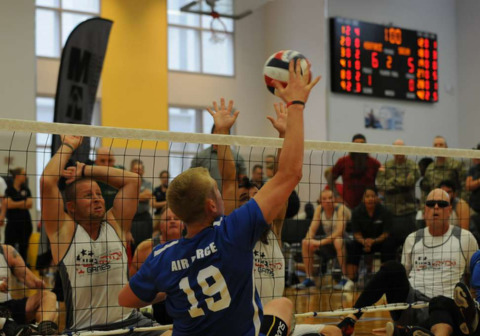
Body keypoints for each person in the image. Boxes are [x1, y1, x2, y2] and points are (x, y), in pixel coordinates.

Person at [119, 59, 320, 335]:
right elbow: (288, 174)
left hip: (199, 313)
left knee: (280, 303)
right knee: (282, 307)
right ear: (213, 204)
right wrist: (296, 104)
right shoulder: (234, 231)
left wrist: (171, 286)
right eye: (218, 189)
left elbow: (125, 299)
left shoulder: (161, 257)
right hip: (244, 325)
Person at [40, 135, 162, 334]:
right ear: (71, 207)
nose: (97, 199)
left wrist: (86, 170)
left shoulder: (116, 223)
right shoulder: (64, 232)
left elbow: (133, 180)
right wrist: (69, 145)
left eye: (98, 194)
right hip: (87, 330)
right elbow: (47, 182)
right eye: (89, 196)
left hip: (132, 323)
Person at [337, 188, 478, 336]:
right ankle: (352, 318)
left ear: (449, 210)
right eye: (431, 204)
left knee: (440, 301)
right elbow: (404, 275)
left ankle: (410, 332)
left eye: (441, 204)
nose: (436, 207)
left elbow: (474, 279)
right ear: (425, 211)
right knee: (393, 268)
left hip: (446, 308)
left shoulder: (465, 238)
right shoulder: (413, 238)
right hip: (412, 306)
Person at [130, 207, 184, 325]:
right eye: (167, 219)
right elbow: (133, 286)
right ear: (160, 226)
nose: (172, 221)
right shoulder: (146, 248)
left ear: (184, 225)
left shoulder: (191, 247)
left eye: (176, 218)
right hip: (155, 306)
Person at [296, 189, 350, 291]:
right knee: (305, 242)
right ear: (320, 201)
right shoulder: (319, 209)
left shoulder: (340, 208)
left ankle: (345, 278)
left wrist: (320, 242)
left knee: (338, 240)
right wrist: (310, 240)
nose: (328, 201)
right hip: (329, 242)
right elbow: (312, 229)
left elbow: (339, 231)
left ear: (335, 199)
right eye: (324, 199)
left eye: (330, 198)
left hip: (345, 241)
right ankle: (309, 278)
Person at [342, 187, 395, 289]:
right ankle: (351, 280)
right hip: (362, 242)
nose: (370, 199)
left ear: (377, 198)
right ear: (363, 199)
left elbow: (386, 233)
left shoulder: (385, 212)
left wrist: (373, 241)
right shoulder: (357, 212)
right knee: (352, 245)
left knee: (389, 244)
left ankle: (386, 279)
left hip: (380, 241)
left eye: (373, 196)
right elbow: (356, 233)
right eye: (367, 196)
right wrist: (364, 242)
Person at [0, 244, 58, 335]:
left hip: (8, 308)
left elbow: (27, 277)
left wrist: (38, 283)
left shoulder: (6, 251)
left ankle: (42, 330)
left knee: (48, 296)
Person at [376, 139, 420, 252]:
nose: (399, 152)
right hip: (391, 212)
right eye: (396, 149)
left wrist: (391, 182)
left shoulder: (412, 165)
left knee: (411, 244)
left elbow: (410, 181)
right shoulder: (386, 165)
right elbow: (380, 184)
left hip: (408, 211)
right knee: (389, 246)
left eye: (401, 149)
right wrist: (401, 182)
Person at [328, 134, 381, 210]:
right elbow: (330, 179)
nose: (359, 146)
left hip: (369, 206)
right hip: (348, 206)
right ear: (351, 145)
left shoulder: (374, 163)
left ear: (366, 145)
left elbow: (383, 181)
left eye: (362, 143)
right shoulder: (343, 161)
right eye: (356, 143)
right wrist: (337, 196)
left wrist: (380, 196)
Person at [420, 136, 466, 206]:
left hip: (454, 206)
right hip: (435, 206)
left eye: (441, 145)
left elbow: (465, 187)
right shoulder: (430, 168)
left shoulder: (456, 165)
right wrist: (424, 208)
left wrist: (460, 204)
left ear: (446, 147)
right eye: (435, 145)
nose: (438, 147)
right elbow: (425, 191)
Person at [4, 168, 32, 262]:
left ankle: (23, 273)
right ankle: (8, 271)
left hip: (25, 224)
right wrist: (22, 203)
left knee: (23, 250)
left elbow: (30, 204)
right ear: (17, 176)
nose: (26, 176)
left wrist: (14, 203)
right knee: (8, 248)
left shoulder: (26, 189)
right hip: (12, 224)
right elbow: (8, 204)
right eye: (24, 174)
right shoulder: (9, 190)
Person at [130, 159, 153, 251]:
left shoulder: (148, 183)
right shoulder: (126, 183)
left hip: (144, 218)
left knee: (146, 244)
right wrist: (140, 196)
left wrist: (132, 197)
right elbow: (125, 197)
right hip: (131, 218)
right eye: (135, 169)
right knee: (132, 244)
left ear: (143, 171)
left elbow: (147, 196)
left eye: (140, 169)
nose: (138, 171)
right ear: (131, 170)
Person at [152, 170, 169, 235]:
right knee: (155, 233)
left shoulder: (171, 188)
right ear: (160, 178)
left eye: (167, 177)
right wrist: (166, 203)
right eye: (163, 177)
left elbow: (174, 202)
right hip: (158, 215)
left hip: (168, 215)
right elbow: (153, 204)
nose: (165, 179)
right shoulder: (156, 190)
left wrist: (159, 204)